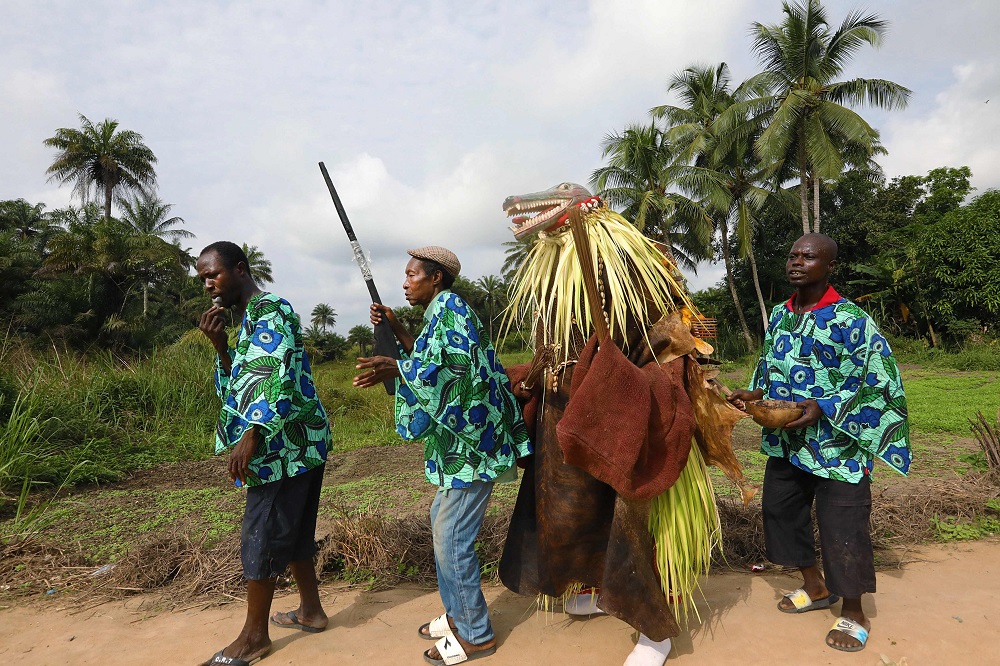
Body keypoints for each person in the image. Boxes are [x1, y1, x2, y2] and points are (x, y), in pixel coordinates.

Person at [728, 233, 911, 653]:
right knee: (780, 512)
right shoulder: (779, 315)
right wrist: (753, 395)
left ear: (829, 267)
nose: (796, 262)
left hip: (839, 449)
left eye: (808, 257)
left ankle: (853, 611)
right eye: (792, 255)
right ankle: (815, 587)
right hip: (788, 443)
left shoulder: (852, 320)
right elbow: (769, 367)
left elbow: (881, 384)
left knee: (842, 527)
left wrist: (822, 406)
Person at [353, 246, 532, 665]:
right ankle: (457, 616)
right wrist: (397, 331)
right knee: (442, 529)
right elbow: (429, 359)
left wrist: (397, 369)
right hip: (461, 447)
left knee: (453, 540)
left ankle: (476, 635)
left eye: (413, 275)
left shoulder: (449, 308)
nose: (405, 282)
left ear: (435, 278)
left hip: (472, 447)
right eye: (405, 274)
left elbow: (454, 372)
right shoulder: (440, 312)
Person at [196, 241, 332, 666]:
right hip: (302, 442)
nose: (207, 284)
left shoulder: (271, 309)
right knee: (294, 533)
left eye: (212, 274)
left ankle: (255, 638)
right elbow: (240, 385)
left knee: (261, 532)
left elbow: (276, 373)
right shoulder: (250, 320)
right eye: (202, 278)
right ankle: (311, 612)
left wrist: (252, 434)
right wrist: (220, 347)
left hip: (282, 447)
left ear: (239, 270)